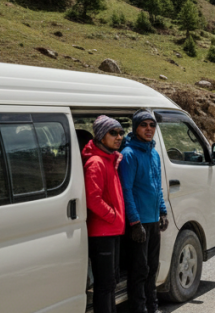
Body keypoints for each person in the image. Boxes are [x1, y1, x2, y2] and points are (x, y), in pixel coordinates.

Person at [119, 110, 169, 313]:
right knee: (139, 270)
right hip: (138, 223)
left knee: (152, 268)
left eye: (152, 125)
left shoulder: (154, 153)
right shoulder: (129, 154)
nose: (149, 129)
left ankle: (152, 306)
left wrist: (163, 211)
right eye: (144, 125)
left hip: (153, 220)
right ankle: (139, 309)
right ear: (135, 128)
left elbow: (157, 186)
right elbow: (126, 190)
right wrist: (134, 222)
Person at [82, 116, 126, 313]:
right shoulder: (96, 162)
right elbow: (93, 199)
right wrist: (114, 216)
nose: (119, 137)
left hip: (112, 230)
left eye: (121, 132)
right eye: (113, 133)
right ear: (101, 136)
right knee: (104, 285)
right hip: (102, 232)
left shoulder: (110, 159)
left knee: (111, 283)